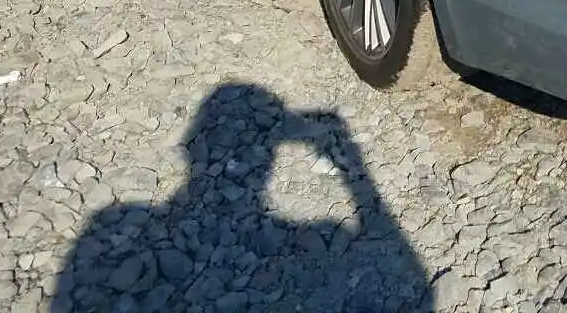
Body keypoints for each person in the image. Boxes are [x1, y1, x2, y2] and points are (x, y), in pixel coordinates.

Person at [50, 83, 430, 313]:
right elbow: (402, 256)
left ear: (188, 148)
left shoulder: (108, 221)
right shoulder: (331, 231)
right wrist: (353, 169)